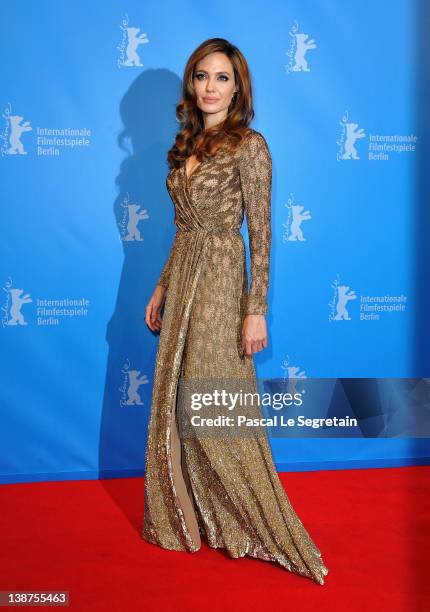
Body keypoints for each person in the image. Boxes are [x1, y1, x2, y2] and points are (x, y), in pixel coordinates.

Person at [141, 37, 329, 586]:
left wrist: (256, 309)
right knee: (178, 399)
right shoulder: (186, 145)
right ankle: (194, 515)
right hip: (185, 279)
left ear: (238, 86)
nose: (210, 88)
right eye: (201, 76)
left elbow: (262, 232)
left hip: (224, 279)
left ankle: (254, 522)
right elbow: (182, 230)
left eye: (222, 78)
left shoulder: (251, 145)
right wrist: (160, 287)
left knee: (214, 398)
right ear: (191, 84)